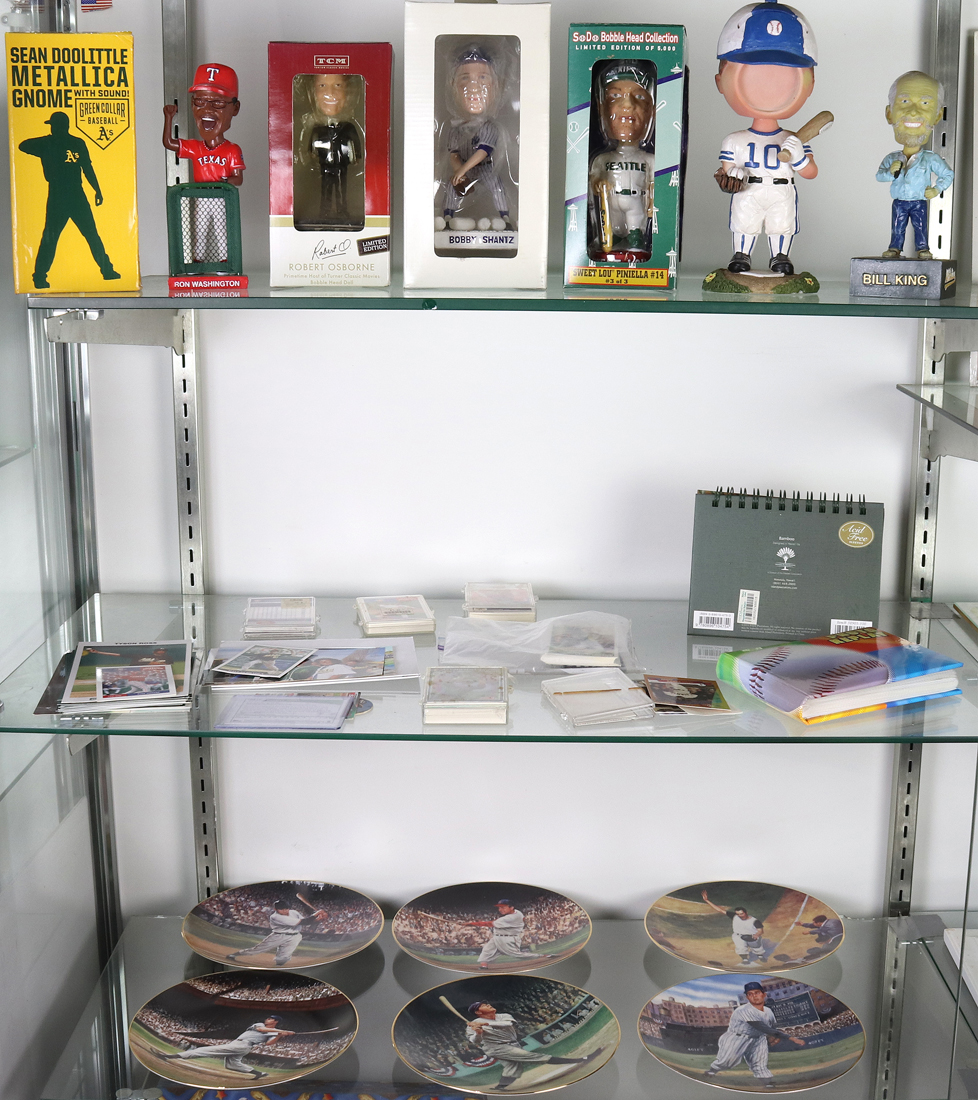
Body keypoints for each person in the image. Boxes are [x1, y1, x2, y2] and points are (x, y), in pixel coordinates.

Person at [714, 2, 820, 275]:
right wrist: (733, 172)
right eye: (755, 74)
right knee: (744, 222)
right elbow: (727, 170)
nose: (770, 87)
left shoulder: (793, 138)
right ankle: (742, 255)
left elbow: (811, 172)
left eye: (784, 76)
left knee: (781, 223)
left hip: (781, 188)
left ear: (809, 83)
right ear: (721, 81)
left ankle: (780, 257)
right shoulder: (734, 140)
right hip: (749, 189)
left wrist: (798, 157)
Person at [18, 111, 119, 289]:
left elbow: (24, 145)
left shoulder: (49, 143)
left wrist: (97, 189)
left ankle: (40, 277)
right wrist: (97, 190)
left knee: (55, 237)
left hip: (62, 194)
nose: (52, 129)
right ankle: (107, 271)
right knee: (85, 235)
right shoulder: (75, 142)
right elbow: (87, 167)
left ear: (56, 126)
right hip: (72, 193)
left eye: (53, 126)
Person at [162, 63, 244, 265]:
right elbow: (169, 143)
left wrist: (227, 181)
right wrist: (168, 118)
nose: (206, 109)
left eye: (217, 103)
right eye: (200, 101)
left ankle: (226, 263)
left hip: (220, 196)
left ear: (235, 108)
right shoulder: (196, 147)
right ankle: (197, 264)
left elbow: (238, 179)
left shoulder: (231, 149)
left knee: (221, 229)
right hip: (200, 196)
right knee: (198, 230)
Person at [875, 71, 953, 260]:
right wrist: (890, 172)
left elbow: (948, 174)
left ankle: (922, 248)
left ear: (937, 116)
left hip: (918, 202)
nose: (913, 112)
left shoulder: (930, 159)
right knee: (897, 226)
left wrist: (937, 190)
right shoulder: (892, 158)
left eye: (925, 104)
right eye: (904, 102)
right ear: (889, 113)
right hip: (900, 201)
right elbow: (880, 176)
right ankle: (895, 248)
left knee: (920, 226)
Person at [440, 44, 514, 231]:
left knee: (497, 186)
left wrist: (462, 170)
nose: (474, 87)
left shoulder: (489, 127)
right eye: (465, 78)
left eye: (482, 77)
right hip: (465, 169)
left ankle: (505, 219)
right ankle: (447, 219)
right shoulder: (456, 128)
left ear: (495, 86)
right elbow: (454, 154)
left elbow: (482, 152)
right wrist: (459, 173)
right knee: (451, 187)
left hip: (484, 169)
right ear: (454, 86)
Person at [588, 62, 656, 261]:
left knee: (636, 223)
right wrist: (597, 184)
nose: (627, 105)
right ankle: (614, 242)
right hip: (611, 204)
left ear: (651, 111)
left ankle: (636, 241)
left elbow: (656, 183)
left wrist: (652, 200)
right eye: (615, 96)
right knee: (614, 230)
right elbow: (593, 179)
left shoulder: (648, 159)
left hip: (637, 200)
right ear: (602, 110)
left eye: (640, 96)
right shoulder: (603, 158)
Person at [464, 1001, 603, 1091]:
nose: (488, 1004)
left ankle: (500, 1088)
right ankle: (582, 1059)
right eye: (483, 1005)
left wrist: (485, 1024)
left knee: (513, 1067)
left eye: (487, 1003)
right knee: (531, 1056)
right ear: (478, 1012)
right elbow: (474, 1041)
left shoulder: (503, 1016)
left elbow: (509, 1024)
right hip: (495, 1047)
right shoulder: (474, 1024)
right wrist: (478, 1032)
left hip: (512, 1043)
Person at [704, 981, 805, 1086]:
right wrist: (791, 1038)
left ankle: (767, 1083)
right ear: (747, 997)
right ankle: (711, 1072)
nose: (754, 996)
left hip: (758, 1038)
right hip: (737, 1038)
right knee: (727, 1061)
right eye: (750, 994)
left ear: (763, 994)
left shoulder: (768, 1011)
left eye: (757, 992)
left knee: (760, 1063)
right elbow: (762, 1027)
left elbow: (772, 1027)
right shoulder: (744, 1010)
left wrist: (772, 1038)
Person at [297, 73, 364, 227]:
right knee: (326, 189)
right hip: (324, 165)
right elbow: (311, 144)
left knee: (341, 189)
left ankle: (342, 210)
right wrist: (310, 155)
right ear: (313, 92)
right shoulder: (318, 127)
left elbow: (356, 143)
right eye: (322, 86)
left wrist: (357, 156)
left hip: (342, 165)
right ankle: (325, 211)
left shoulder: (348, 126)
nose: (330, 93)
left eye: (338, 85)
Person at [162, 1014, 293, 1080]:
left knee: (205, 1050)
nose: (268, 1019)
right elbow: (261, 1029)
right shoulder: (260, 1024)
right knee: (231, 1065)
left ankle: (170, 1057)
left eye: (271, 1019)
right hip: (237, 1043)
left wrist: (279, 1036)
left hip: (244, 1045)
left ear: (275, 1021)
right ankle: (259, 1073)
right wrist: (281, 1031)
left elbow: (269, 1043)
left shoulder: (275, 1032)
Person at [227, 896, 328, 967]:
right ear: (275, 909)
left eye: (286, 908)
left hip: (295, 936)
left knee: (283, 958)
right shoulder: (275, 917)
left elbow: (307, 922)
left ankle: (277, 969)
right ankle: (234, 955)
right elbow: (305, 922)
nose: (285, 911)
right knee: (257, 950)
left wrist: (319, 918)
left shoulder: (293, 912)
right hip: (278, 936)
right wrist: (318, 912)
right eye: (282, 909)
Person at [466, 899, 552, 968]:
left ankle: (543, 955)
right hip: (499, 937)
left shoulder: (511, 917)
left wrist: (472, 923)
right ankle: (484, 966)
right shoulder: (517, 912)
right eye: (499, 907)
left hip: (507, 939)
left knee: (516, 954)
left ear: (511, 907)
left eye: (503, 907)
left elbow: (489, 924)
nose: (500, 909)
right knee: (486, 950)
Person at [701, 890, 767, 965]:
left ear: (746, 913)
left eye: (742, 914)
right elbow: (720, 910)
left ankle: (760, 956)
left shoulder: (754, 921)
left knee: (757, 948)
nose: (740, 915)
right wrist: (707, 900)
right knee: (741, 948)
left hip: (752, 936)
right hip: (738, 936)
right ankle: (745, 959)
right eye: (738, 914)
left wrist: (757, 935)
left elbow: (760, 930)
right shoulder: (734, 916)